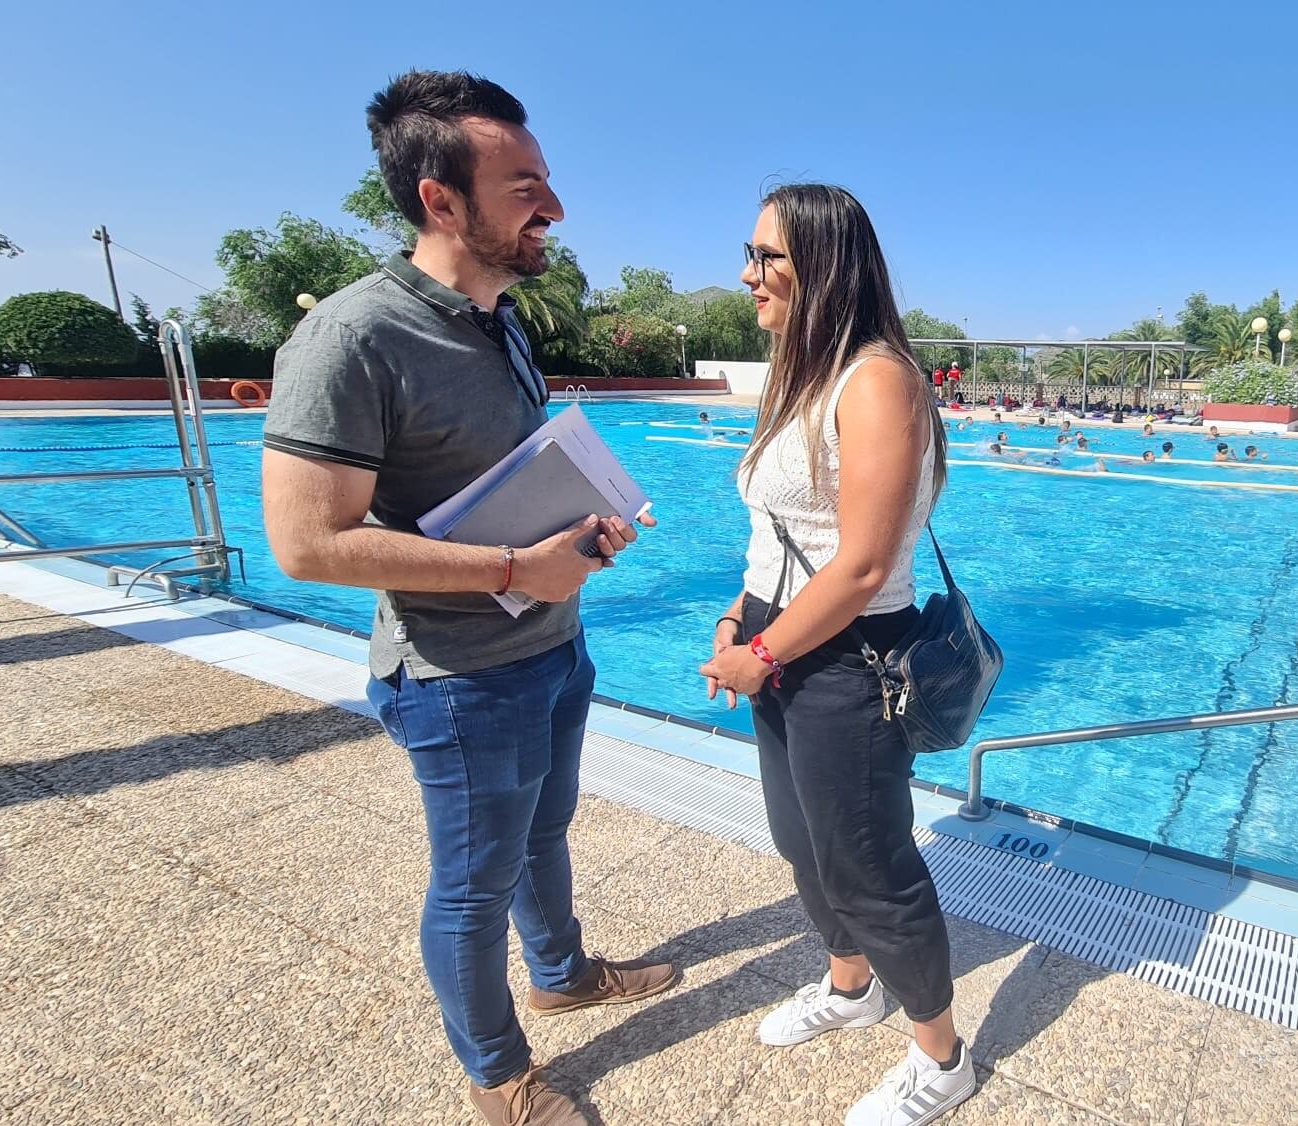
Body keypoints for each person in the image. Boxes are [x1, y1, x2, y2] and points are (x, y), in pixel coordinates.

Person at [261, 71, 675, 1126]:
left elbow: (497, 488)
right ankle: (498, 1077)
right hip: (455, 677)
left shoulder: (504, 323)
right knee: (472, 880)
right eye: (525, 184)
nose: (555, 208)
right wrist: (508, 572)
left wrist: (578, 534)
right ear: (440, 200)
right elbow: (306, 544)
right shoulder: (352, 337)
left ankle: (562, 969)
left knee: (546, 830)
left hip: (550, 642)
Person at [700, 183, 974, 1125]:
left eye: (768, 257)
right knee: (802, 843)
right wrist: (739, 618)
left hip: (846, 663)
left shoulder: (878, 380)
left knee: (869, 862)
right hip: (784, 647)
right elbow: (783, 532)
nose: (748, 274)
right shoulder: (805, 378)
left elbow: (859, 565)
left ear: (826, 264)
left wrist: (762, 653)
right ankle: (853, 987)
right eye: (752, 253)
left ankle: (942, 1060)